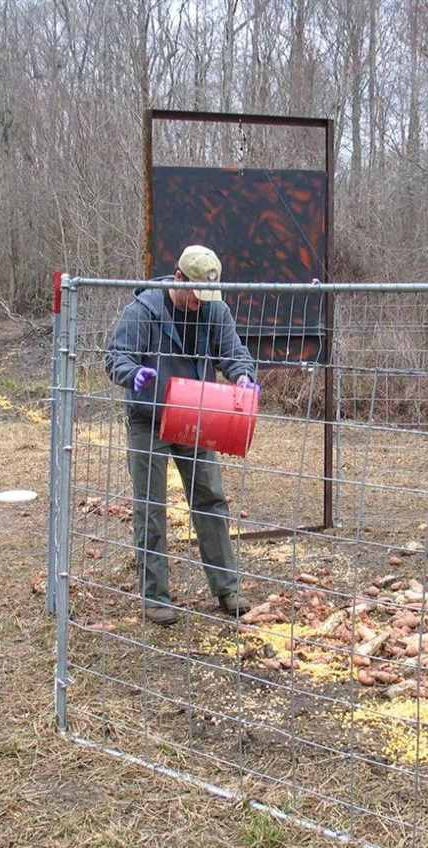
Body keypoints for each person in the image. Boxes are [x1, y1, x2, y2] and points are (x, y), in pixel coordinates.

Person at [105, 244, 256, 625]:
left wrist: (242, 375)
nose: (199, 302)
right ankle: (155, 596)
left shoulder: (214, 310)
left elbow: (233, 353)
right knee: (151, 508)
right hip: (149, 420)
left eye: (206, 296)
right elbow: (116, 356)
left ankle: (228, 589)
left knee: (210, 498)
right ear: (177, 279)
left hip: (195, 416)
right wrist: (132, 375)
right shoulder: (143, 310)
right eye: (194, 294)